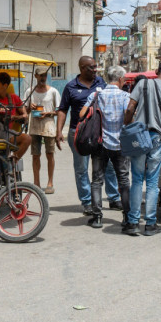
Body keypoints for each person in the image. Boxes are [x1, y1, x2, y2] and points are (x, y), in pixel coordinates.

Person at [56, 57, 120, 215]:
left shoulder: (101, 83)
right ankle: (87, 202)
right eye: (92, 67)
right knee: (81, 168)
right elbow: (63, 109)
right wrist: (58, 131)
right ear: (82, 68)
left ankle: (113, 198)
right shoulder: (71, 87)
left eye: (96, 67)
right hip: (79, 133)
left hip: (100, 132)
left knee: (109, 166)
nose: (95, 70)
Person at [123, 59, 161, 236]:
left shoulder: (143, 84)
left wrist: (126, 126)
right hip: (156, 138)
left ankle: (132, 223)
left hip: (139, 137)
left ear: (156, 71)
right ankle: (150, 224)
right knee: (152, 183)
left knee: (137, 179)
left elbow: (130, 108)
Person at [79, 66, 132, 230]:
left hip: (99, 144)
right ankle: (127, 217)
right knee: (123, 181)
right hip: (120, 144)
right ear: (121, 79)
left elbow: (81, 114)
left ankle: (97, 218)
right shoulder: (125, 96)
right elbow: (129, 116)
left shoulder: (96, 94)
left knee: (96, 181)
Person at [24, 68, 60, 194]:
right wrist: (29, 107)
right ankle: (36, 183)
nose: (43, 78)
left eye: (44, 75)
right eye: (40, 75)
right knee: (35, 155)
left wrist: (48, 113)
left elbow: (59, 111)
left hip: (49, 126)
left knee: (50, 154)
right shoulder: (30, 91)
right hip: (34, 126)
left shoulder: (53, 92)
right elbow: (25, 112)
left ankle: (50, 182)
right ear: (35, 76)